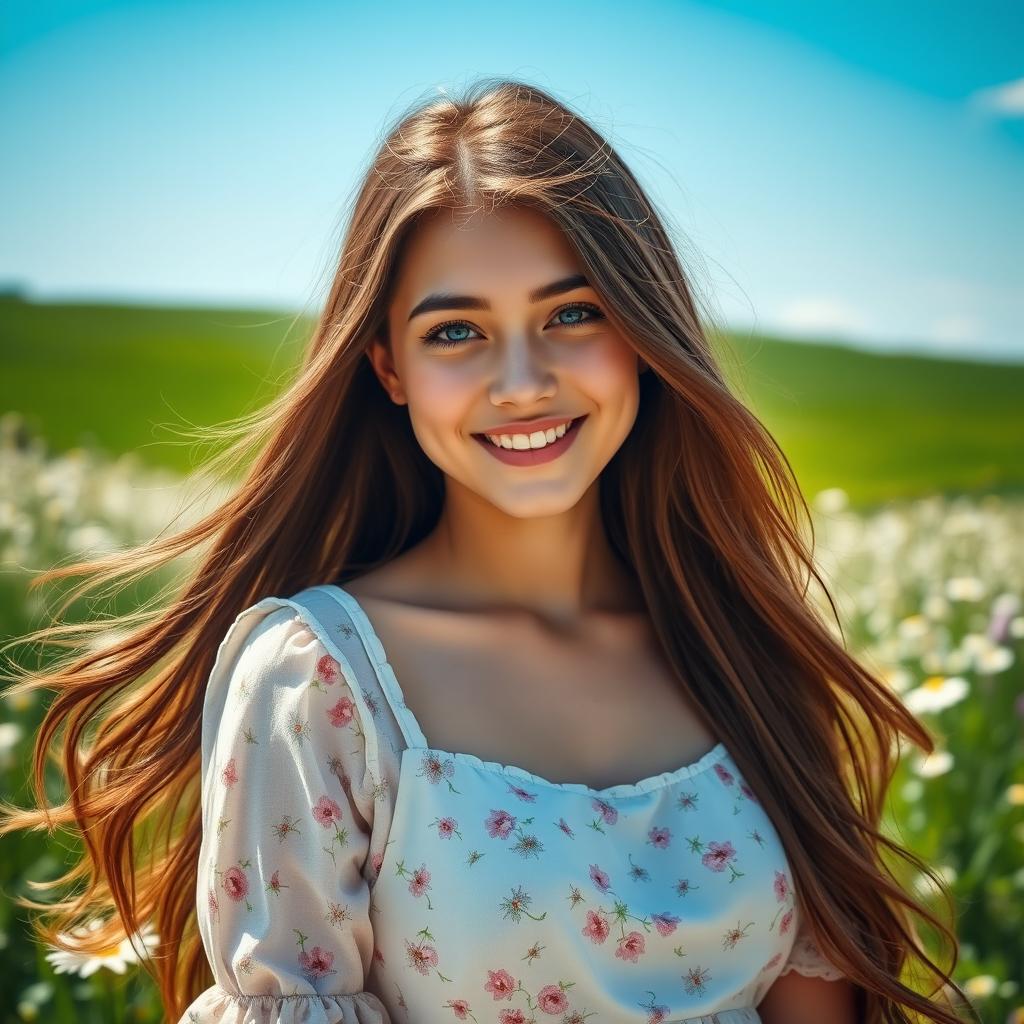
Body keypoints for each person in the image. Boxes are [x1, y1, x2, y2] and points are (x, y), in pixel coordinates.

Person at [1, 78, 973, 1024]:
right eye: (457, 331)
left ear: (640, 330)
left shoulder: (744, 651)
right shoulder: (319, 680)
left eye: (572, 313)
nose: (521, 380)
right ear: (389, 367)